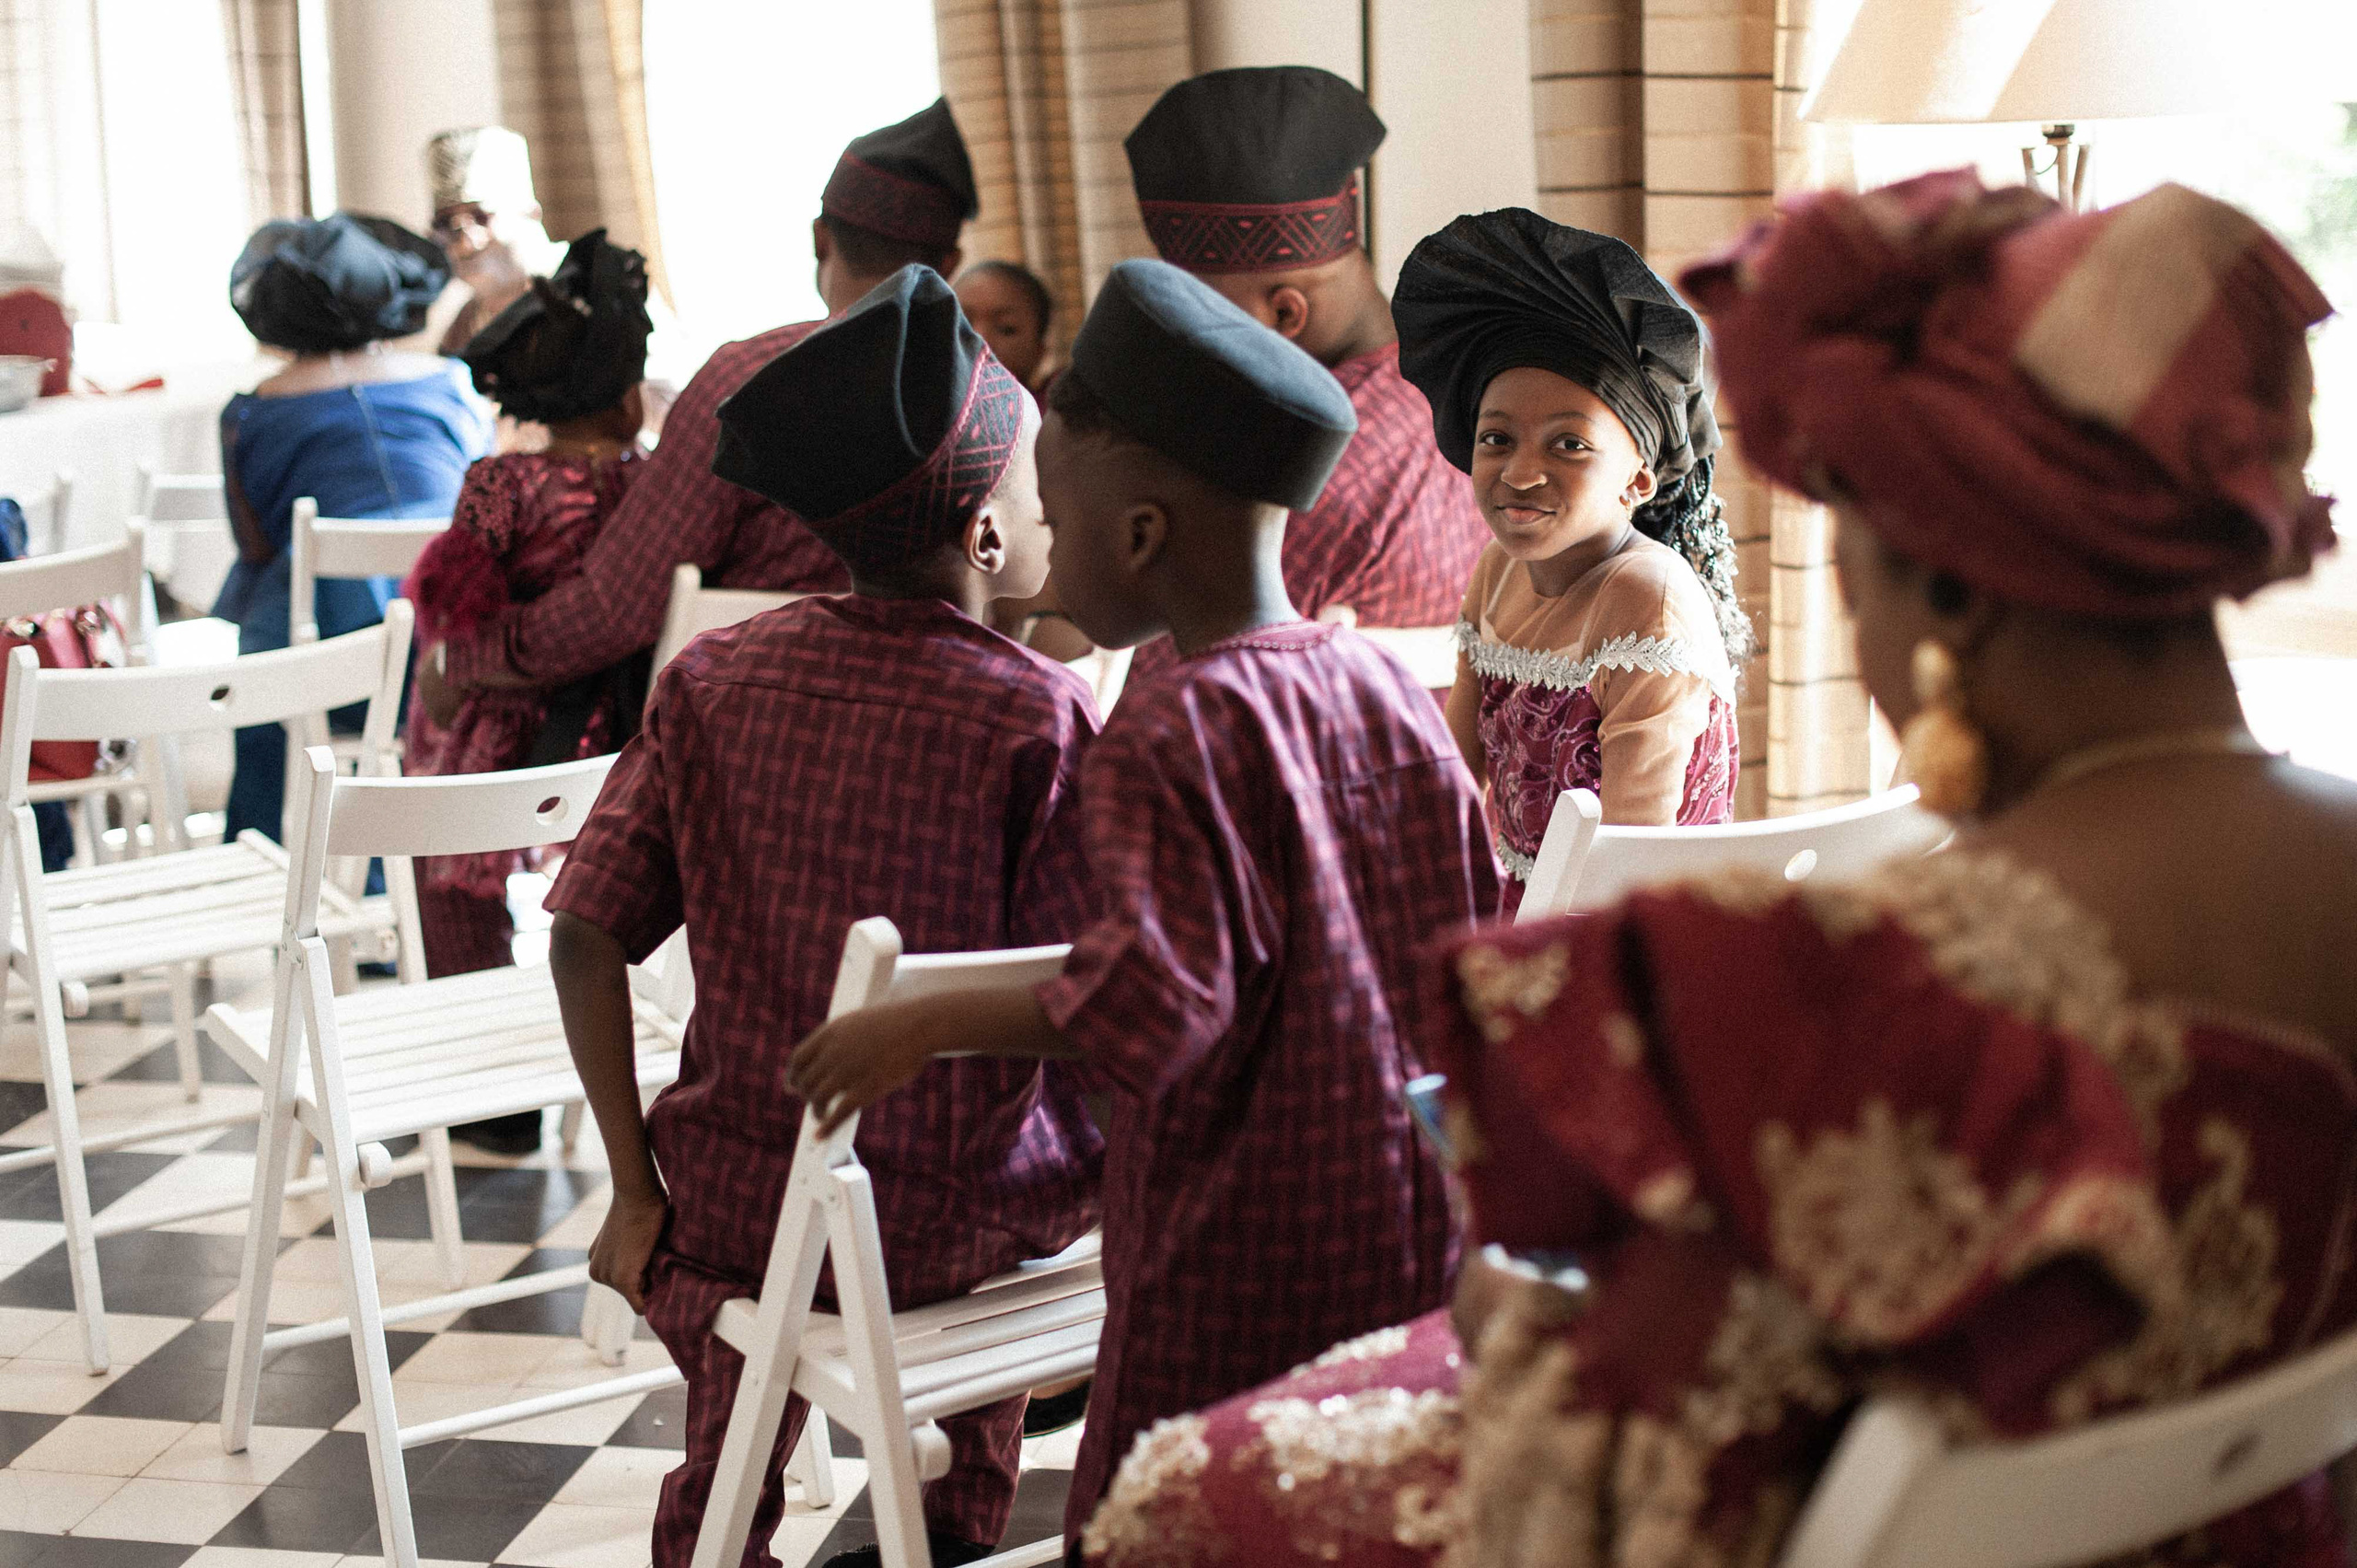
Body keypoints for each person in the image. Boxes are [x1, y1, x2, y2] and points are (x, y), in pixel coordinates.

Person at [1075, 172, 2357, 1568]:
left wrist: (1501, 1283)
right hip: (2249, 1524)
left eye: (1851, 558)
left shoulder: (1852, 976)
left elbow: (1637, 1376)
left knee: (1170, 1495)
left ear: (1948, 585)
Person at [784, 258, 1504, 1544]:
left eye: (1054, 516)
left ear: (1140, 533)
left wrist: (925, 1018)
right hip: (1404, 1231)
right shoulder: (1384, 689)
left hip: (1237, 1250)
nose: (1045, 551)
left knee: (1157, 1514)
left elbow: (1150, 1008)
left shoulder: (1175, 726)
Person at [548, 264, 1102, 1568]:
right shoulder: (1040, 712)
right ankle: (952, 1525)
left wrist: (634, 1189)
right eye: (1034, 486)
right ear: (982, 535)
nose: (1051, 510)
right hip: (967, 1219)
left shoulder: (712, 680)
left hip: (744, 1202)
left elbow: (580, 933)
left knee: (731, 1433)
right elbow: (1100, 990)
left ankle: (717, 1534)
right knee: (1038, 1128)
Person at [435, 99, 977, 706]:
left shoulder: (749, 378)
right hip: (933, 717)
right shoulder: (994, 391)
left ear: (819, 237)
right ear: (949, 264)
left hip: (747, 733)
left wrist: (465, 655)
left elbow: (616, 608)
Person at [1394, 209, 1753, 909]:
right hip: (1522, 909)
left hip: (1623, 929)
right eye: (1497, 438)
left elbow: (1630, 858)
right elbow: (1451, 780)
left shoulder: (1647, 602)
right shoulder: (1497, 570)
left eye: (1569, 444)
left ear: (1638, 481)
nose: (1519, 474)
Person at [399, 229, 654, 1154]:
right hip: (616, 733)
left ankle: (491, 1097)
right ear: (628, 399)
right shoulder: (648, 481)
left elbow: (457, 610)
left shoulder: (500, 482)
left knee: (454, 882)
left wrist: (435, 692)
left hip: (513, 734)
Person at [1116, 66, 1488, 668]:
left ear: (1285, 312)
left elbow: (1162, 711)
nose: (1179, 338)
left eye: (1195, 311)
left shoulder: (1290, 466)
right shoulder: (1471, 383)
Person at [218, 212, 489, 842]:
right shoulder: (451, 381)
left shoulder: (254, 410)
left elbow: (253, 541)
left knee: (262, 642)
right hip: (452, 633)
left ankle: (257, 843)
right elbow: (481, 490)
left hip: (326, 656)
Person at [424, 126, 563, 360]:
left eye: (481, 216)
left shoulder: (592, 288)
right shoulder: (463, 329)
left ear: (530, 213)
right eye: (447, 224)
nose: (467, 243)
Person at [957, 259, 1055, 392]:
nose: (979, 340)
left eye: (1006, 329)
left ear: (1039, 351)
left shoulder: (1047, 410)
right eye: (960, 324)